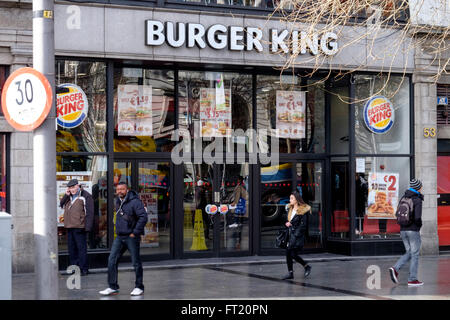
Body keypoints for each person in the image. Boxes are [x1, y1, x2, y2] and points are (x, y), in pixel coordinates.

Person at [99, 182, 148, 296]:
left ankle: (139, 287)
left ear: (127, 190)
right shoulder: (118, 201)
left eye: (122, 189)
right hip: (120, 236)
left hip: (131, 237)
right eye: (118, 189)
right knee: (112, 260)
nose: (120, 191)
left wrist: (135, 233)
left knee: (136, 262)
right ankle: (112, 287)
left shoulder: (135, 201)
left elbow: (143, 217)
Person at [389, 178, 424, 287]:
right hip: (413, 231)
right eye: (421, 186)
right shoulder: (417, 199)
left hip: (403, 230)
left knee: (410, 252)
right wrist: (418, 226)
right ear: (418, 187)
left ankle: (395, 269)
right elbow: (418, 217)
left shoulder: (403, 197)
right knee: (415, 255)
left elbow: (397, 214)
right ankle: (412, 279)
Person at [60, 179, 94, 276]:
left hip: (80, 227)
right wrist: (66, 195)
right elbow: (61, 204)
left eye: (73, 187)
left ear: (78, 186)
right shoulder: (68, 196)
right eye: (70, 188)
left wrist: (87, 227)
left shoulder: (86, 196)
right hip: (69, 227)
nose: (72, 190)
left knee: (81, 249)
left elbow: (90, 213)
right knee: (72, 249)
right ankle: (74, 268)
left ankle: (84, 269)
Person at [281, 191, 312, 280]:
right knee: (290, 253)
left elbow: (303, 225)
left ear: (297, 200)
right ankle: (295, 271)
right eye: (290, 198)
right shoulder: (289, 209)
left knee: (291, 253)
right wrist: (287, 223)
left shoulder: (302, 210)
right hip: (290, 234)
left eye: (292, 198)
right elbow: (286, 220)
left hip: (297, 236)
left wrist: (295, 233)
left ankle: (304, 267)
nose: (290, 200)